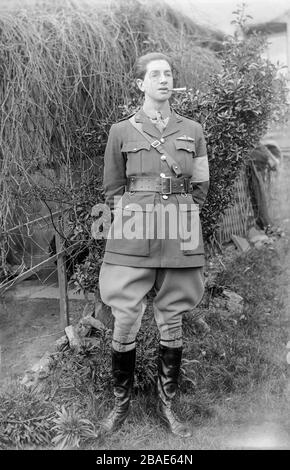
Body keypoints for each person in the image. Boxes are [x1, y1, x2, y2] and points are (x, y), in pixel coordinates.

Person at [98, 52, 209, 438]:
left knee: (173, 315)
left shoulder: (192, 129)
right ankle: (120, 406)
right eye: (155, 74)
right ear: (140, 83)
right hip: (133, 228)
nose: (164, 79)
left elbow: (202, 184)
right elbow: (113, 187)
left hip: (179, 227)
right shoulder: (121, 131)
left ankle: (167, 407)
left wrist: (183, 213)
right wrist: (130, 218)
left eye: (168, 73)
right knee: (126, 315)